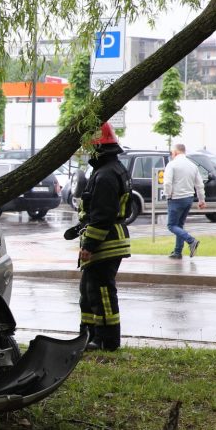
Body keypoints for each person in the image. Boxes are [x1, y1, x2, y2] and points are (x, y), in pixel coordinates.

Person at [70, 122, 132, 352]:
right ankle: (89, 335)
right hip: (105, 241)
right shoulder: (109, 169)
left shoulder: (105, 174)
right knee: (89, 291)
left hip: (106, 243)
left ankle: (107, 340)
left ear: (99, 147)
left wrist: (90, 245)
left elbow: (103, 215)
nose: (88, 153)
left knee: (102, 292)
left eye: (90, 148)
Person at [163, 143, 205, 259]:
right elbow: (199, 185)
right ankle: (177, 252)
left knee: (171, 225)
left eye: (172, 152)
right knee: (179, 225)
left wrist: (168, 195)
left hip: (176, 198)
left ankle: (191, 241)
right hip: (189, 199)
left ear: (176, 152)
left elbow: (167, 183)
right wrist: (201, 200)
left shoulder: (172, 165)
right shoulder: (193, 166)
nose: (171, 154)